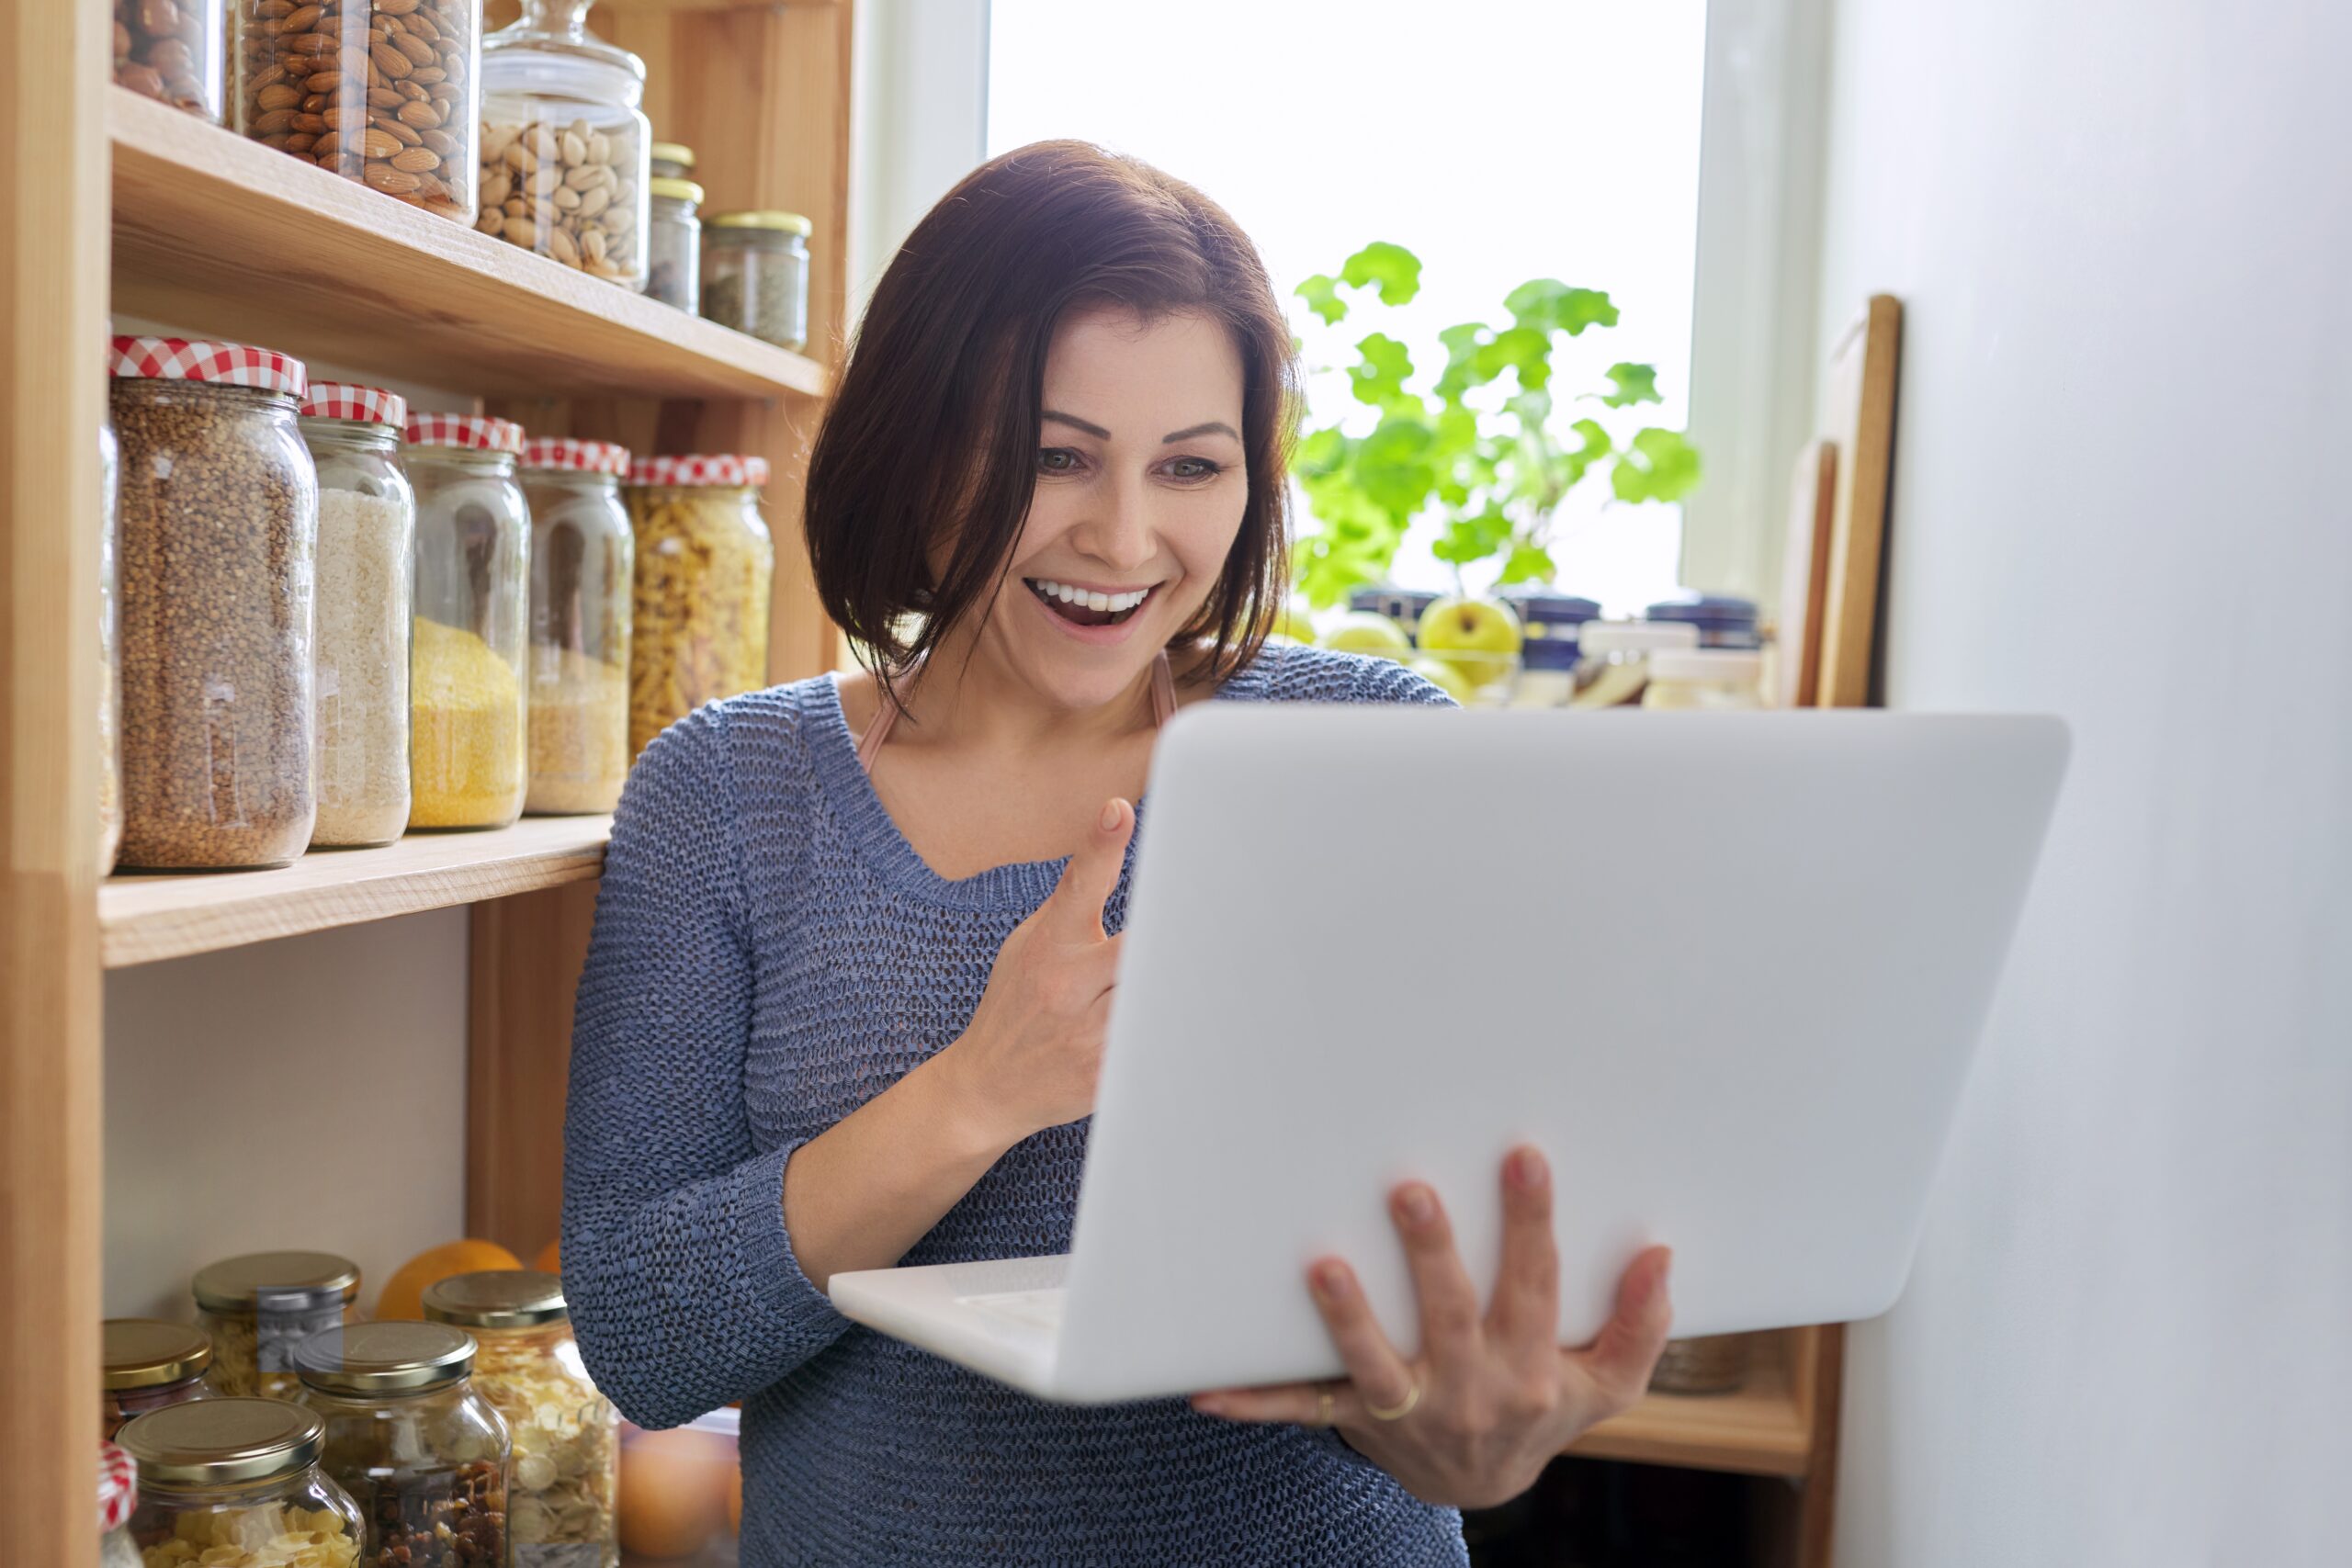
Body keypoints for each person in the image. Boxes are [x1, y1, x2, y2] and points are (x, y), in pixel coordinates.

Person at [561, 140, 1675, 1566]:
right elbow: (645, 1342)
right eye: (1055, 457)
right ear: (917, 437)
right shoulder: (724, 793)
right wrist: (980, 1088)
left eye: (1193, 467)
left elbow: (1442, 1291)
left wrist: (1462, 1435)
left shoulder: (1371, 750)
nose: (1127, 536)